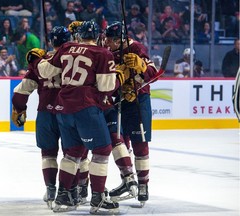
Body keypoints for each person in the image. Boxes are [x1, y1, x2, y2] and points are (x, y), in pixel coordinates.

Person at [35, 20, 123, 214]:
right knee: (102, 150)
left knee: (72, 152)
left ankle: (63, 196)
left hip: (62, 107)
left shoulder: (66, 48)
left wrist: (40, 59)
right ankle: (98, 200)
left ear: (79, 36)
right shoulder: (103, 53)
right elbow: (106, 87)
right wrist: (118, 78)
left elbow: (44, 71)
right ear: (98, 36)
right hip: (86, 107)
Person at [12, 26, 72, 209]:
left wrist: (19, 110)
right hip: (69, 113)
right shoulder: (74, 59)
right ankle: (72, 190)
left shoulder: (39, 62)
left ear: (51, 42)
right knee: (74, 155)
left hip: (45, 113)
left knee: (48, 154)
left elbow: (21, 92)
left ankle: (51, 188)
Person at [103, 21, 158, 206]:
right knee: (121, 143)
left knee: (140, 143)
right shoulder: (108, 50)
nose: (106, 43)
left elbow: (154, 73)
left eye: (110, 40)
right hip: (120, 101)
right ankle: (128, 181)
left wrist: (141, 66)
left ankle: (143, 185)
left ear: (119, 40)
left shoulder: (136, 47)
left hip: (138, 101)